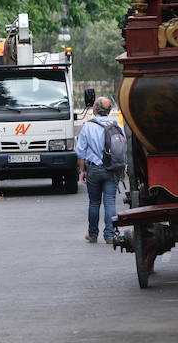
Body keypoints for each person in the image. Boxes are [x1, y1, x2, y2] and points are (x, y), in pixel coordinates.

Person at [76, 97, 125, 244]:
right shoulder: (116, 125)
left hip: (94, 168)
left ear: (95, 109)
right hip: (113, 169)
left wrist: (82, 171)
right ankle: (109, 235)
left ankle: (92, 234)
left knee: (94, 203)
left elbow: (80, 152)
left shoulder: (88, 126)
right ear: (109, 110)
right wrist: (123, 167)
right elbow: (123, 149)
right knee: (110, 202)